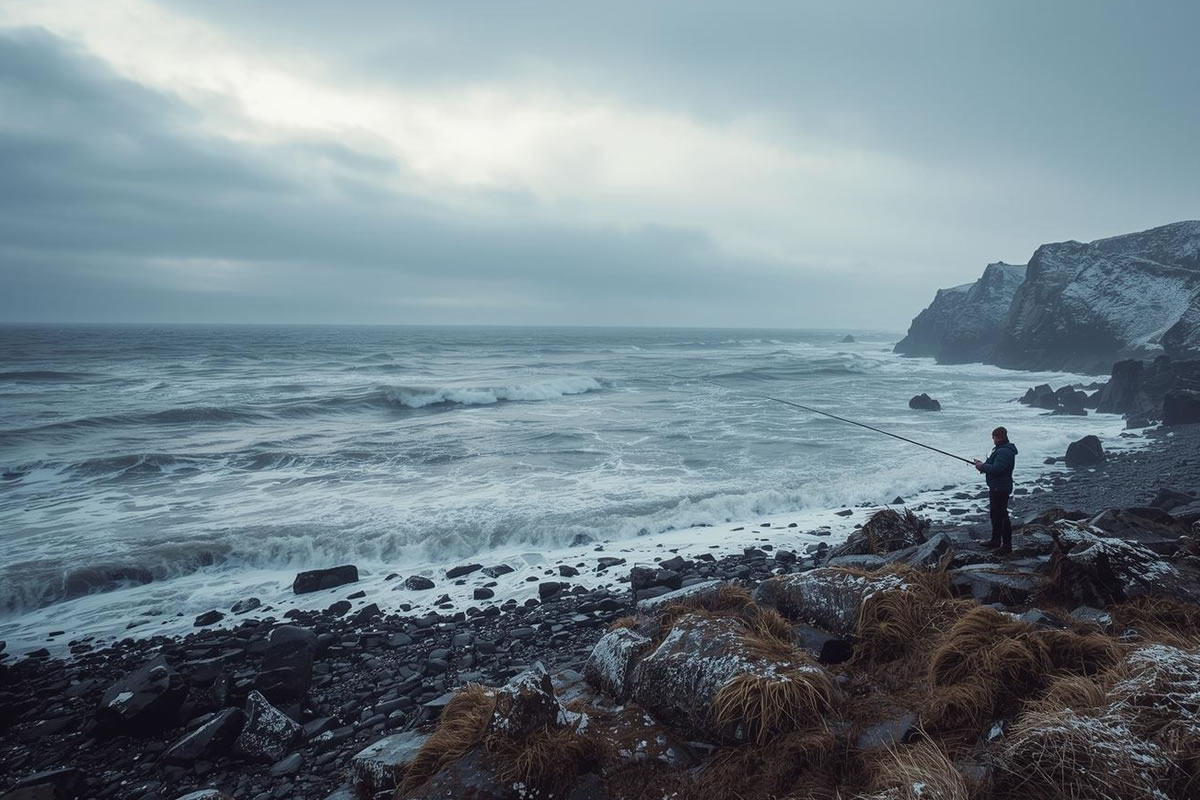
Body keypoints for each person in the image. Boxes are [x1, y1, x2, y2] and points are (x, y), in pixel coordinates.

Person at [974, 426, 1018, 554]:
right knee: (996, 514)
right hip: (997, 486)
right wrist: (982, 465)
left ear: (998, 437)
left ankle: (1006, 546)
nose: (993, 440)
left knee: (1001, 516)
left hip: (1001, 487)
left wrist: (982, 466)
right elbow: (994, 466)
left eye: (993, 437)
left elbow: (997, 469)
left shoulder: (1004, 451)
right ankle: (995, 540)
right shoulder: (1002, 450)